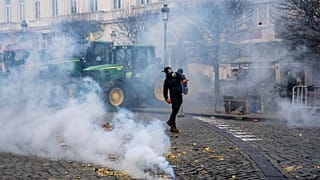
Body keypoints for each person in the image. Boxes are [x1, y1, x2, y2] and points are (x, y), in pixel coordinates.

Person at [162, 66, 187, 133]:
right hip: (173, 96)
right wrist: (166, 98)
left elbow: (180, 75)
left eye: (170, 70)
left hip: (179, 94)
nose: (170, 72)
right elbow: (165, 90)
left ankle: (171, 123)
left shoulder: (176, 75)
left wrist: (183, 79)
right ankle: (172, 125)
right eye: (168, 71)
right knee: (175, 108)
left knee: (176, 110)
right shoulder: (166, 81)